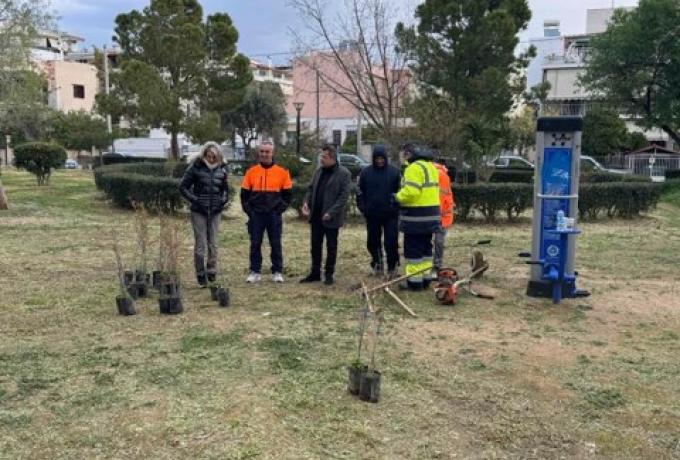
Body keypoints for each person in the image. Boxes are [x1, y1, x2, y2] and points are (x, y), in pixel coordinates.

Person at [240, 141, 293, 283]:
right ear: (259, 152)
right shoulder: (251, 172)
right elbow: (244, 195)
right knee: (255, 242)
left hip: (273, 215)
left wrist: (278, 211)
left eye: (267, 151)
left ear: (272, 153)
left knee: (275, 243)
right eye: (262, 151)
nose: (264, 154)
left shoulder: (282, 172)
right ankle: (255, 271)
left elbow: (287, 196)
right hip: (256, 214)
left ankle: (277, 271)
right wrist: (250, 212)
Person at [300, 144, 351, 285]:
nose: (321, 159)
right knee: (315, 245)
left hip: (331, 218)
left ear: (333, 158)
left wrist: (331, 212)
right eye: (321, 156)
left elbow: (343, 197)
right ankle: (315, 272)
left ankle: (329, 274)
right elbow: (311, 189)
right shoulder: (318, 171)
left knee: (331, 246)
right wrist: (306, 203)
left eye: (324, 156)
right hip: (316, 216)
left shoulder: (344, 173)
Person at [179, 142, 229, 287]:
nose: (211, 159)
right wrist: (196, 200)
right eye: (209, 156)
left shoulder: (223, 168)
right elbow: (183, 187)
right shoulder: (195, 167)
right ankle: (200, 273)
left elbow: (225, 189)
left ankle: (212, 269)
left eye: (214, 156)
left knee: (213, 243)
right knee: (200, 244)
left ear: (218, 156)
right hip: (199, 210)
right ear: (204, 154)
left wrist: (223, 201)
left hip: (215, 211)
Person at [394, 143, 440, 290]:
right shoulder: (431, 167)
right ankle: (425, 278)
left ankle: (414, 282)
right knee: (426, 248)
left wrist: (397, 197)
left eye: (402, 154)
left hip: (416, 217)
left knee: (413, 250)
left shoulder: (413, 168)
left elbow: (411, 192)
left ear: (408, 154)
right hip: (431, 215)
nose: (401, 158)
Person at [356, 145, 400, 277]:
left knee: (391, 242)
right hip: (372, 214)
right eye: (377, 158)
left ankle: (392, 267)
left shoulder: (394, 172)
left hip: (390, 215)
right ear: (373, 158)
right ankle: (377, 264)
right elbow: (359, 192)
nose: (380, 161)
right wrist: (363, 208)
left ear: (385, 158)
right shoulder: (365, 172)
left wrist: (396, 207)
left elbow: (400, 192)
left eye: (382, 158)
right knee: (373, 241)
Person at [432, 161, 455, 278]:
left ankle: (435, 266)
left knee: (437, 241)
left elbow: (444, 197)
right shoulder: (439, 173)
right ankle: (435, 265)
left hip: (440, 215)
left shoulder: (438, 174)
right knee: (438, 242)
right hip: (440, 215)